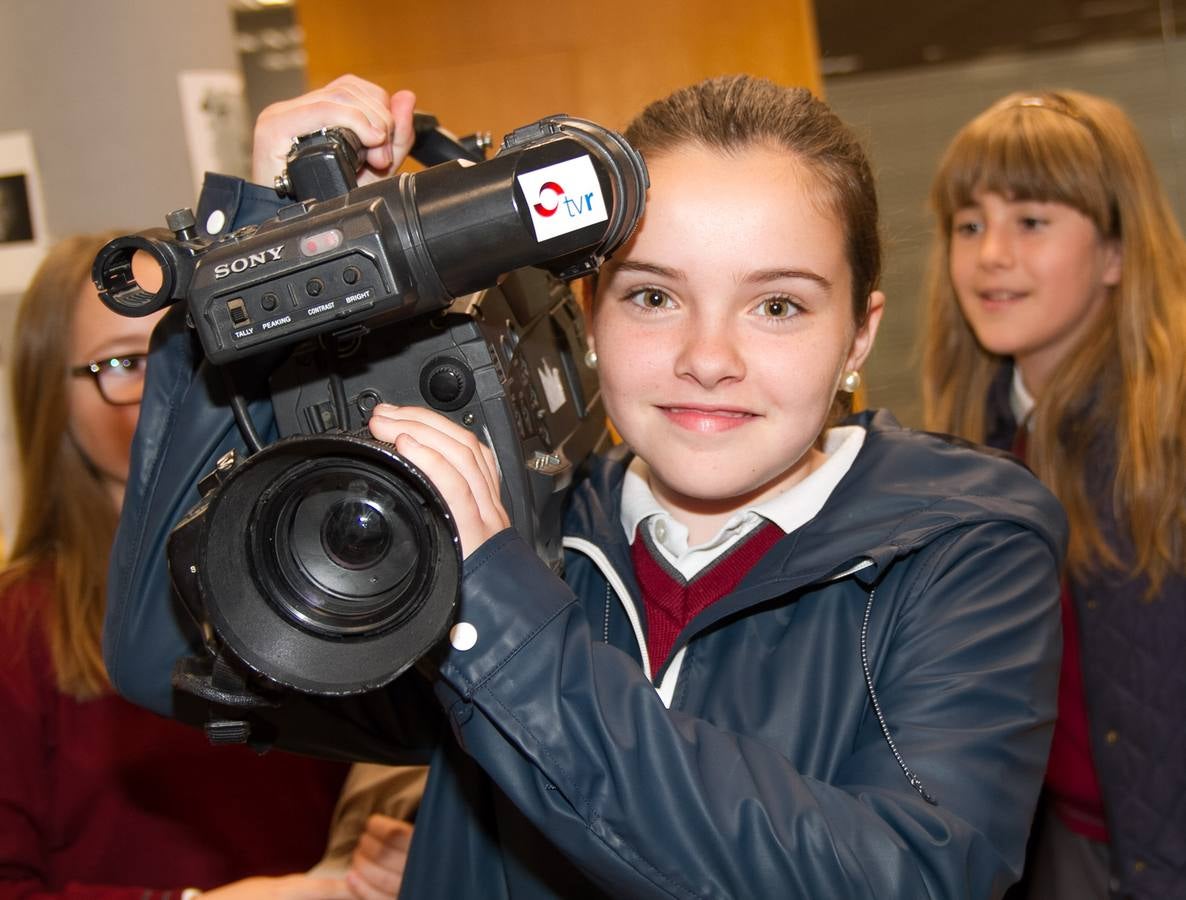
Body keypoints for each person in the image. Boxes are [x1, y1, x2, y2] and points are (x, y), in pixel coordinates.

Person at [107, 73, 1068, 898]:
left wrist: (501, 620)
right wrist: (265, 252)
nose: (707, 359)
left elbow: (904, 874)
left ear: (858, 333)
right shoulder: (533, 516)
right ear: (590, 311)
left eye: (777, 305)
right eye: (653, 296)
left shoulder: (960, 544)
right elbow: (173, 655)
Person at [0, 232, 405, 899]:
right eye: (125, 364)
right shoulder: (17, 629)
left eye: (190, 359)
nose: (169, 394)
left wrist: (386, 847)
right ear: (51, 396)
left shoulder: (308, 574)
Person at [921, 89, 1186, 900]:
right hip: (1062, 851)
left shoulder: (1170, 435)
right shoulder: (972, 448)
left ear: (1115, 254)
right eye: (970, 225)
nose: (991, 255)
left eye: (1031, 221)